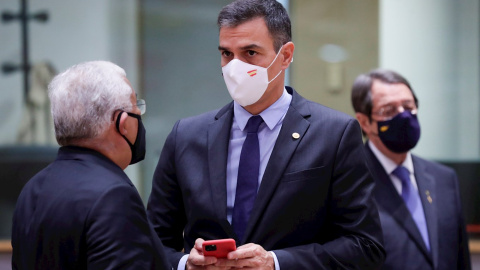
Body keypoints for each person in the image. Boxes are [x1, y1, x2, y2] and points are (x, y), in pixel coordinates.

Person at [147, 1, 385, 269]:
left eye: (250, 52)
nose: (234, 67)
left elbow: (365, 245)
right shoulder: (186, 136)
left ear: (285, 56)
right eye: (226, 54)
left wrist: (276, 263)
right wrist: (184, 265)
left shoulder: (334, 134)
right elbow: (149, 244)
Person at [11, 61, 171, 270]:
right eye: (136, 106)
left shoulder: (31, 190)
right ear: (122, 122)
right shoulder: (114, 196)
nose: (139, 116)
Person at [351, 68, 471, 270]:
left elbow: (460, 259)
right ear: (364, 122)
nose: (403, 116)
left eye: (408, 106)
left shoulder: (444, 178)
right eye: (388, 111)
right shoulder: (349, 182)